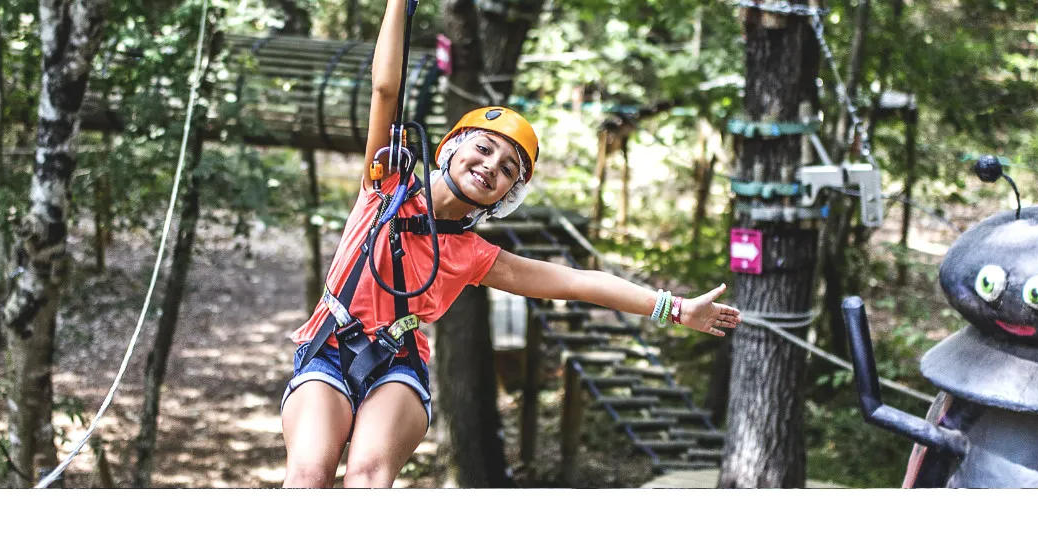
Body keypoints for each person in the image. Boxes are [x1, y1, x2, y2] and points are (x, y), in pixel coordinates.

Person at [280, 0, 743, 488]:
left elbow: (579, 282)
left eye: (507, 171)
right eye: (484, 149)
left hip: (396, 366)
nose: (490, 167)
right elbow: (384, 88)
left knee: (367, 480)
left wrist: (674, 308)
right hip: (329, 348)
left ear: (507, 196)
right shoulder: (386, 183)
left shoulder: (474, 255)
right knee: (308, 477)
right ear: (453, 150)